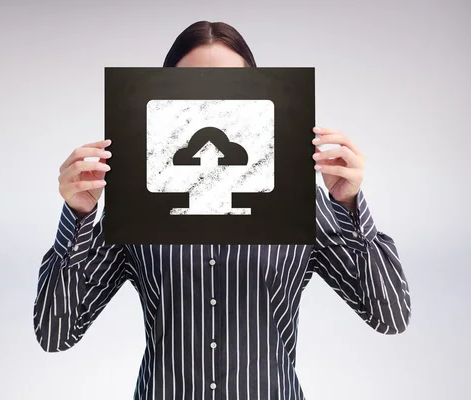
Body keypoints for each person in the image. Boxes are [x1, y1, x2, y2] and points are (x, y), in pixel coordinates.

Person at [33, 20, 411, 400]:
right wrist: (78, 218)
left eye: (230, 87)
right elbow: (55, 333)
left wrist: (348, 206)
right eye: (190, 87)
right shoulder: (137, 202)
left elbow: (390, 316)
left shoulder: (300, 202)